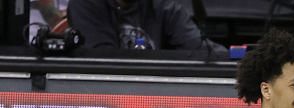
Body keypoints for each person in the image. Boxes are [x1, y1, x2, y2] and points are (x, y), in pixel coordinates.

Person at [67, 0, 226, 52]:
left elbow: (202, 49)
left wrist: (245, 60)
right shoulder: (86, 4)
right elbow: (103, 62)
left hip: (152, 95)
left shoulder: (162, 6)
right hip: (102, 95)